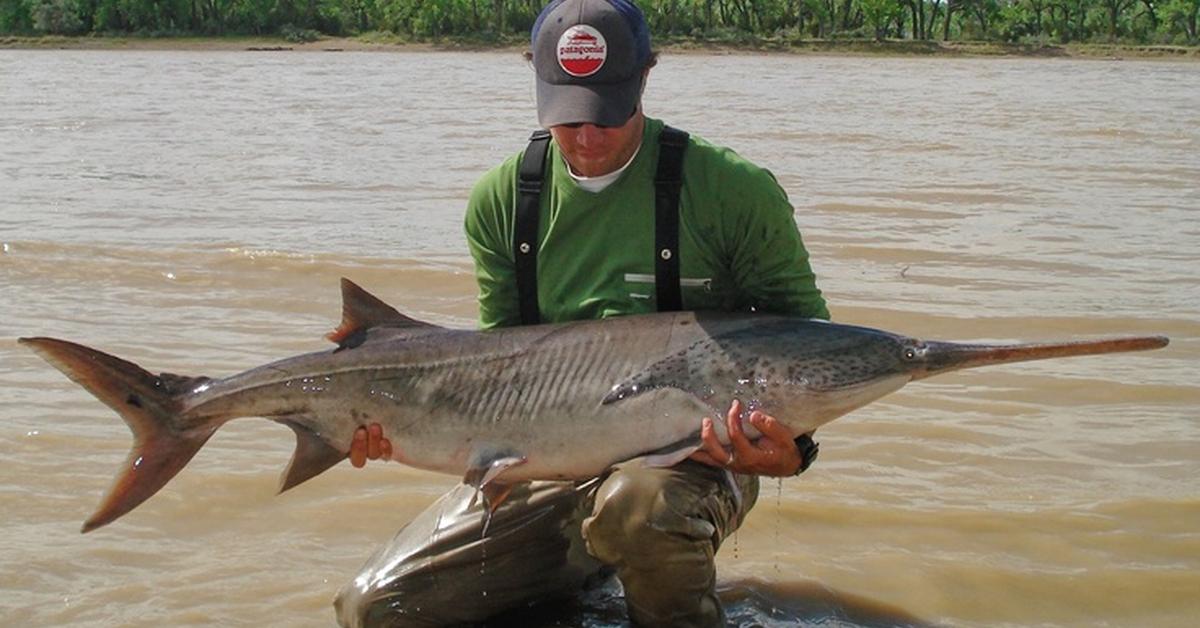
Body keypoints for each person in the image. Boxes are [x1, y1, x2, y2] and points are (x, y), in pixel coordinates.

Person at [335, 1, 828, 626]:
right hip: (549, 457)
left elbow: (811, 346)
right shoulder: (502, 201)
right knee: (373, 607)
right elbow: (498, 374)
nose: (588, 138)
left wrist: (791, 454)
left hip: (694, 468)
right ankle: (576, 581)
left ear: (645, 78)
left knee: (639, 509)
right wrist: (397, 423)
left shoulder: (735, 191)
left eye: (606, 114)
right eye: (568, 118)